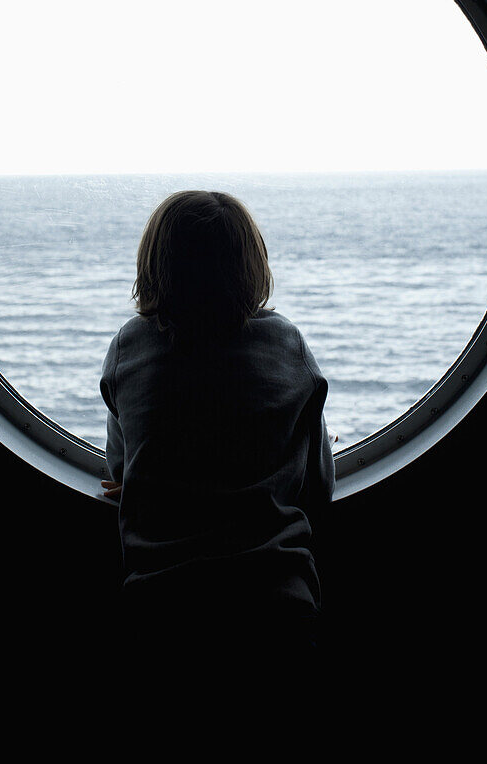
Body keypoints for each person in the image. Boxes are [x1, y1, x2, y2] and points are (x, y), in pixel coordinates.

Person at [99, 190, 336, 666]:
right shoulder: (286, 342)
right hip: (277, 604)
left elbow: (123, 469)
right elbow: (319, 487)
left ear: (155, 264)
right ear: (252, 265)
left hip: (161, 605)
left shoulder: (129, 345)